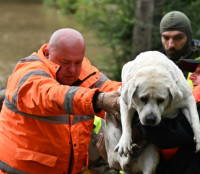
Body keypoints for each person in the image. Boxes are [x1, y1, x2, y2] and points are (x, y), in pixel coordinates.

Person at [0, 28, 122, 174]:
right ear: (47, 54)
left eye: (78, 62)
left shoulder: (86, 72)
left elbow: (114, 90)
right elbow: (51, 95)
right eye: (65, 62)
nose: (72, 69)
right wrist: (98, 100)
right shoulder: (28, 72)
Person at [159, 11, 200, 77]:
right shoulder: (154, 64)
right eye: (166, 38)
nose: (171, 45)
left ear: (189, 37)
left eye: (178, 38)